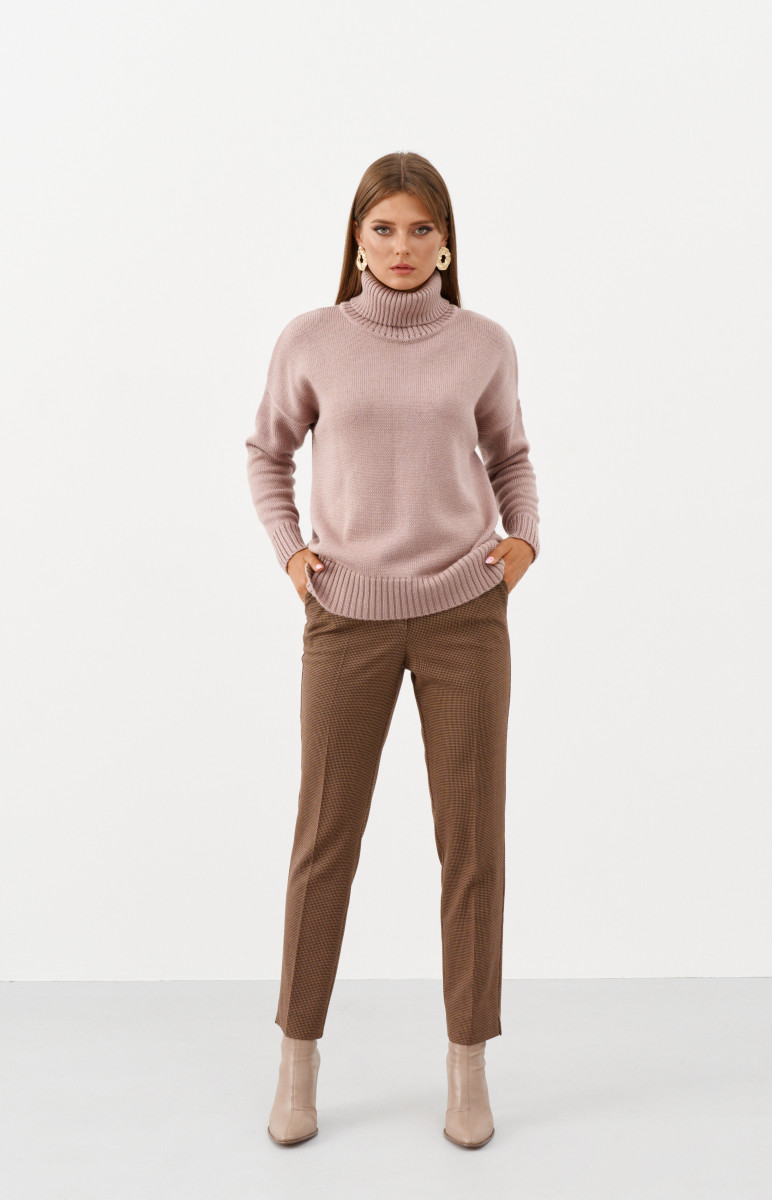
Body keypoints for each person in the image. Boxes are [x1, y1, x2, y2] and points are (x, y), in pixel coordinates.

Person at [245, 151, 541, 1149]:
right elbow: (267, 452)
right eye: (383, 229)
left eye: (419, 229)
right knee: (324, 841)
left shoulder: (483, 344)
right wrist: (291, 553)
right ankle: (297, 1062)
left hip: (465, 613)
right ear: (356, 238)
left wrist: (522, 542)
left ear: (445, 240)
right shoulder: (312, 339)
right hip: (346, 615)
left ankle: (467, 1068)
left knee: (471, 844)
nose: (401, 247)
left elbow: (509, 454)